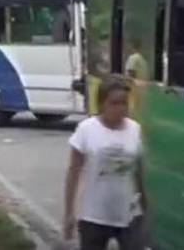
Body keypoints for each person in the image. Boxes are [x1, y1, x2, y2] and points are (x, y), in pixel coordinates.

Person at [64, 77, 146, 250]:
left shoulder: (135, 129)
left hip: (128, 213)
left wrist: (145, 209)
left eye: (124, 103)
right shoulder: (87, 129)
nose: (120, 109)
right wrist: (69, 213)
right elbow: (73, 172)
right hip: (94, 215)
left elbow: (139, 172)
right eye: (114, 103)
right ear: (101, 103)